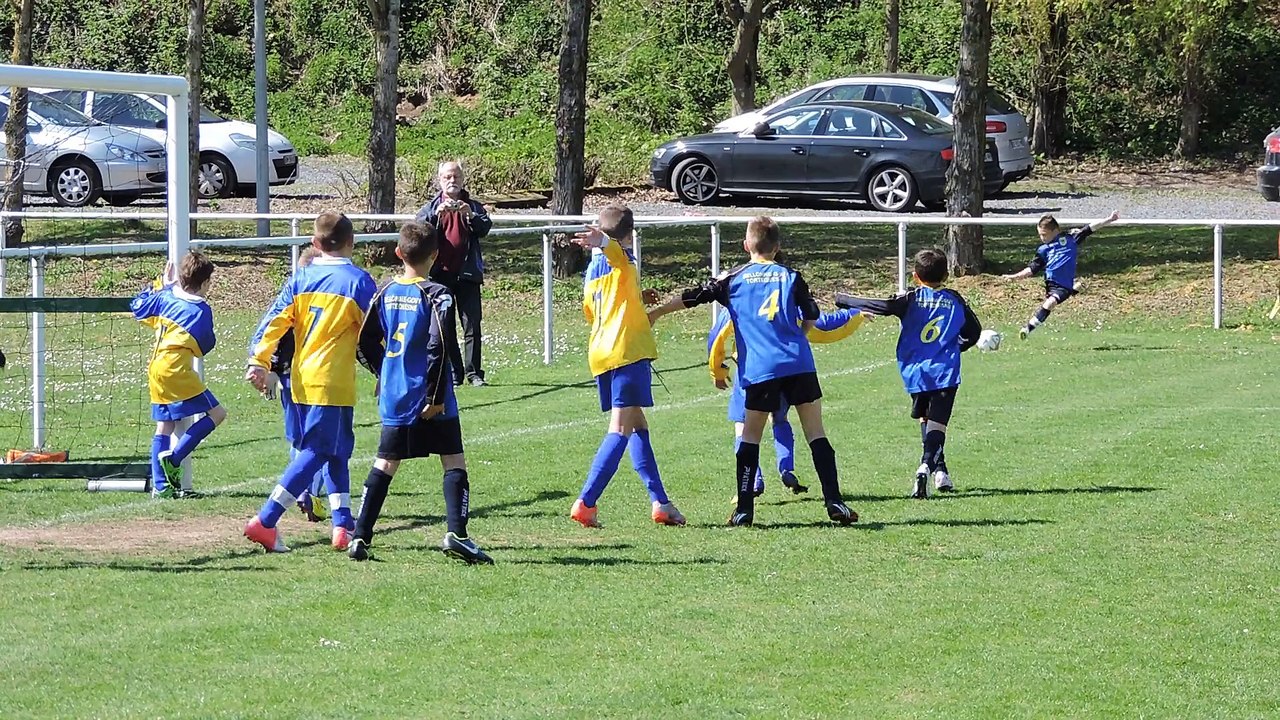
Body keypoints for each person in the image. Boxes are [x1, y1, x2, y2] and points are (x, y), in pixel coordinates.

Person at [649, 216, 859, 527]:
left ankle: (745, 509)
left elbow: (694, 295)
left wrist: (657, 312)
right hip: (799, 364)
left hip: (761, 368)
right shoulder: (790, 276)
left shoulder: (733, 279)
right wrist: (801, 334)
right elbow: (812, 313)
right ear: (778, 247)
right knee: (816, 433)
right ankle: (835, 502)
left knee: (750, 437)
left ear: (746, 245)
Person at [350, 221, 493, 564]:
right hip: (431, 396)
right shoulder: (438, 294)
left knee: (385, 463)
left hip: (397, 394)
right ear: (436, 255)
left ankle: (359, 536)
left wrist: (384, 371)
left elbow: (364, 342)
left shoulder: (384, 291)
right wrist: (434, 397)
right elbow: (438, 346)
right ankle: (457, 535)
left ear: (398, 253)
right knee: (453, 461)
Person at [243, 211, 377, 553]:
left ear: (315, 244)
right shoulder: (360, 283)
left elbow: (272, 323)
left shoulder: (299, 280)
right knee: (317, 451)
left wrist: (258, 361)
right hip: (331, 382)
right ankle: (265, 521)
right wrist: (386, 373)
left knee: (337, 453)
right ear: (352, 242)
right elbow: (377, 335)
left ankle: (342, 526)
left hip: (301, 380)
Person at [568, 204, 685, 529]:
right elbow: (618, 256)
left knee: (637, 426)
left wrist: (635, 297)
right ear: (630, 235)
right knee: (619, 428)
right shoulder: (622, 259)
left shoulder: (594, 271)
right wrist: (605, 241)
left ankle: (661, 503)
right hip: (626, 352)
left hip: (602, 352)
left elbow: (592, 312)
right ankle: (586, 502)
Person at [835, 248, 982, 498]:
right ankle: (927, 466)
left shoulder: (911, 299)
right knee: (937, 423)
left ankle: (940, 471)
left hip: (916, 373)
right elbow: (974, 331)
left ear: (915, 276)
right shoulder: (955, 299)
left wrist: (844, 299)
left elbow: (882, 306)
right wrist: (957, 346)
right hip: (944, 372)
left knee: (926, 419)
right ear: (946, 275)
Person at [708, 306, 866, 498]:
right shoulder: (786, 295)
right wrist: (854, 314)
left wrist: (717, 371)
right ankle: (786, 468)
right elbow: (821, 323)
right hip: (786, 369)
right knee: (780, 419)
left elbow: (717, 335)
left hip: (752, 370)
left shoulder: (740, 295)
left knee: (743, 428)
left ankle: (753, 480)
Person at [130, 251, 227, 498]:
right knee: (217, 414)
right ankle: (174, 459)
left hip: (155, 369)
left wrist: (161, 284)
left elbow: (138, 307)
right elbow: (204, 346)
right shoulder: (200, 310)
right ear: (205, 283)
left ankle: (161, 487)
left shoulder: (165, 297)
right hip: (176, 370)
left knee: (164, 425)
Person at [263, 246, 329, 523]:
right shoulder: (305, 297)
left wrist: (269, 368)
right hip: (307, 377)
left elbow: (268, 331)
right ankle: (308, 492)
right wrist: (273, 368)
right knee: (321, 441)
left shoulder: (290, 294)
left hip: (290, 376)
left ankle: (305, 492)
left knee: (300, 438)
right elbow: (275, 333)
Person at [415, 161, 492, 387]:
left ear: (462, 179)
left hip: (468, 275)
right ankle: (455, 373)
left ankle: (474, 373)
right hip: (441, 277)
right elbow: (418, 231)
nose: (452, 181)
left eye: (456, 176)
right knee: (445, 328)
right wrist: (434, 216)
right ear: (440, 180)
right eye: (448, 177)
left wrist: (471, 216)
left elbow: (485, 227)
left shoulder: (474, 206)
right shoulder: (431, 207)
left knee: (472, 326)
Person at [1003, 211, 1120, 339]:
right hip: (1052, 284)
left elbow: (1090, 228)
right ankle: (1073, 290)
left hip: (1063, 285)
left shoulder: (1070, 239)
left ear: (1056, 230)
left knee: (1049, 303)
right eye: (1040, 235)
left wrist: (1109, 219)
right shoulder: (1043, 250)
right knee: (1051, 301)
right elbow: (1032, 269)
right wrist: (1014, 277)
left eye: (1044, 235)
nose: (1042, 238)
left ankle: (1028, 328)